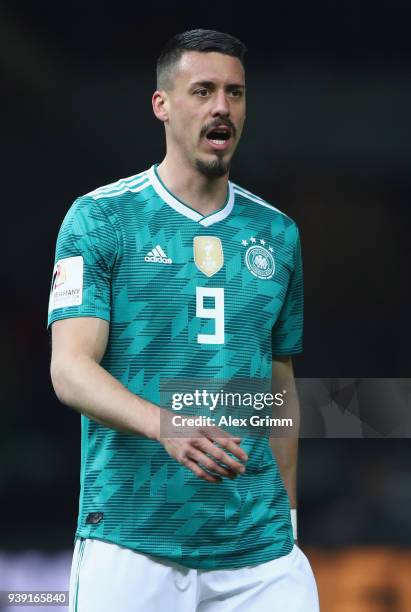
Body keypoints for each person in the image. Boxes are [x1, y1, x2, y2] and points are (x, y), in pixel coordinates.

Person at [48, 28, 319, 612]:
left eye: (235, 93)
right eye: (202, 90)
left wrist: (290, 519)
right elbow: (69, 369)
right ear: (162, 105)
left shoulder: (277, 234)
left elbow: (279, 389)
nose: (222, 106)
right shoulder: (101, 219)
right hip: (131, 542)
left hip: (261, 555)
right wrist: (163, 423)